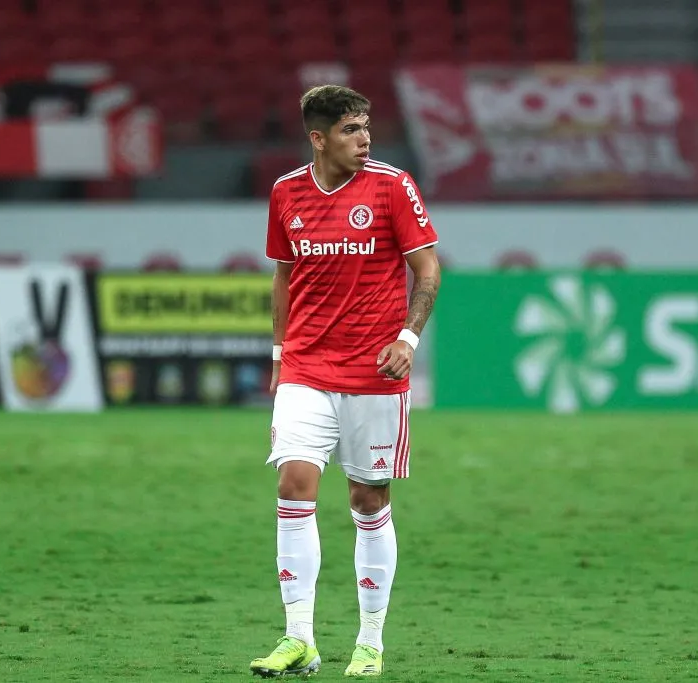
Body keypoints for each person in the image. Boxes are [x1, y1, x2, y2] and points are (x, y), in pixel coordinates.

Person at [249, 84, 441, 679]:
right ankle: (298, 638)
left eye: (366, 128)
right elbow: (284, 277)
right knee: (295, 483)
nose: (365, 139)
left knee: (368, 500)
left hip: (373, 372)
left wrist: (407, 339)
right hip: (307, 365)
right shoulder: (286, 193)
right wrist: (281, 353)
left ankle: (370, 641)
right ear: (319, 137)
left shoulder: (391, 185)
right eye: (351, 130)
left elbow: (428, 268)